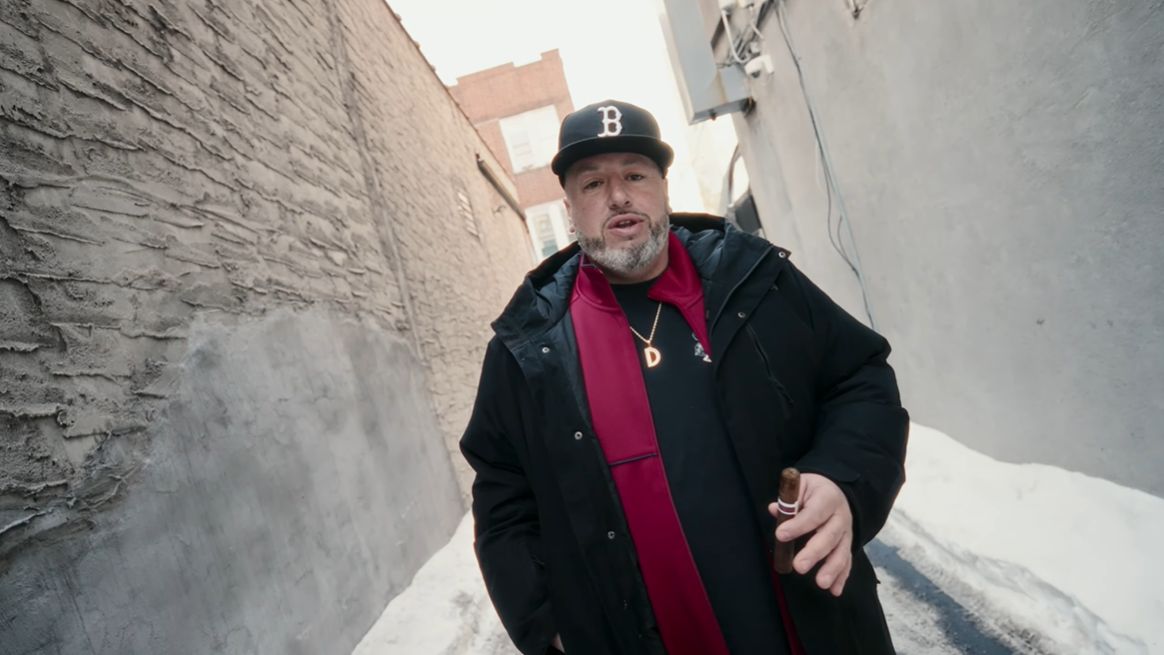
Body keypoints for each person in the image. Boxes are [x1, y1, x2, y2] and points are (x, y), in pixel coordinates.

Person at [460, 99, 909, 655]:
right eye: (593, 183)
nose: (618, 196)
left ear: (663, 189)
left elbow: (859, 379)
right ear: (570, 210)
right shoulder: (529, 346)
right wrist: (545, 623)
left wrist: (843, 479)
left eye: (635, 175)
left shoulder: (754, 282)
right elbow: (502, 496)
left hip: (816, 624)